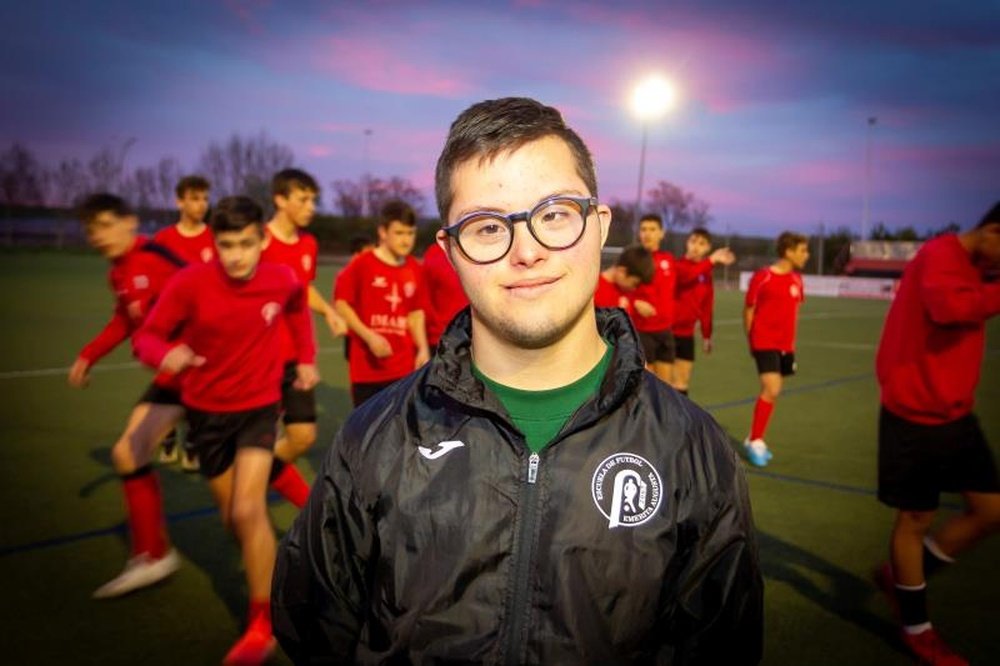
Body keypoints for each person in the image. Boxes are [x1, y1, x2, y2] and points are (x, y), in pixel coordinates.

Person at [272, 96, 763, 664]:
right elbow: (314, 631)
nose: (527, 251)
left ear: (599, 227)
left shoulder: (694, 451)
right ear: (450, 251)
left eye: (554, 214)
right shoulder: (372, 440)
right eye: (486, 227)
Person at [134, 195, 318, 665]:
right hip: (205, 416)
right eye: (226, 244)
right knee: (232, 520)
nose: (235, 255)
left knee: (245, 509)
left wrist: (305, 359)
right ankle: (272, 571)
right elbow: (148, 335)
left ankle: (266, 621)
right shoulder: (189, 283)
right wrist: (164, 355)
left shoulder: (281, 277)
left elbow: (297, 308)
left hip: (258, 410)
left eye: (245, 244)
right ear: (215, 243)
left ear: (261, 241)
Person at [872, 203, 1000, 666]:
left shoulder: (975, 264)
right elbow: (949, 308)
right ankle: (916, 627)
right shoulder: (941, 253)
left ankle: (906, 577)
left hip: (955, 414)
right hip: (913, 414)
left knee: (991, 509)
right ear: (992, 230)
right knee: (915, 520)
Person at [68, 193, 186, 598]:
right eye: (90, 230)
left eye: (104, 225)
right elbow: (124, 319)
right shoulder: (118, 273)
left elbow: (205, 298)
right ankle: (152, 555)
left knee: (248, 481)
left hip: (207, 376)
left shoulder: (157, 258)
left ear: (129, 222)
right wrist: (88, 355)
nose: (98, 237)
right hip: (175, 381)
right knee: (127, 453)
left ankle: (325, 518)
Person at [261, 168, 346, 505]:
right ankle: (302, 506)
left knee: (302, 436)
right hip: (259, 361)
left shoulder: (308, 244)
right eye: (303, 199)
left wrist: (328, 312)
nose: (311, 206)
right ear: (280, 200)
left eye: (313, 199)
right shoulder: (259, 240)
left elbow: (303, 288)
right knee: (257, 441)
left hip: (295, 359)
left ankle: (258, 477)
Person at [334, 200, 430, 406]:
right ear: (383, 232)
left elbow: (415, 314)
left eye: (410, 233)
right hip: (368, 371)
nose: (406, 240)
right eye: (399, 233)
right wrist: (369, 337)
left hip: (404, 369)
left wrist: (422, 348)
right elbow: (342, 303)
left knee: (399, 434)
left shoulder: (415, 269)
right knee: (367, 435)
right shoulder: (362, 264)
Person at [152, 174, 214, 470]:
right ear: (179, 201)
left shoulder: (214, 239)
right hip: (172, 329)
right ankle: (167, 440)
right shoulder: (163, 240)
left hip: (205, 330)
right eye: (194, 198)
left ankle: (192, 446)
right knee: (170, 386)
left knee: (200, 388)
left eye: (204, 198)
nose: (201, 205)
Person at [742, 231, 808, 466]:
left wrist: (791, 345)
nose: (806, 255)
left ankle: (754, 437)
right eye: (802, 250)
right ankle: (756, 441)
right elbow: (749, 309)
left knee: (773, 391)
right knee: (772, 388)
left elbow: (795, 313)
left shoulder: (797, 281)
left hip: (785, 346)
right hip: (764, 342)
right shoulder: (763, 277)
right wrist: (752, 340)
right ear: (788, 252)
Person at [672, 228, 735, 396]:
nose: (696, 247)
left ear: (707, 248)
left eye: (701, 244)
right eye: (693, 241)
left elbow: (706, 307)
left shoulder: (706, 274)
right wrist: (712, 260)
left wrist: (707, 335)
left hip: (686, 334)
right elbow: (687, 277)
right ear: (687, 242)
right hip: (666, 333)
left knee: (682, 383)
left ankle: (678, 422)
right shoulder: (677, 266)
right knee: (661, 383)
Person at [630, 213, 678, 385]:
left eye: (652, 229)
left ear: (661, 233)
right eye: (643, 229)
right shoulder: (631, 260)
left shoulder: (669, 260)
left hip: (665, 331)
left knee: (667, 388)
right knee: (647, 389)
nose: (647, 234)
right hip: (641, 332)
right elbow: (615, 289)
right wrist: (634, 302)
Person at [421, 236, 468, 355]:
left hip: (478, 340)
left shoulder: (483, 250)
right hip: (441, 341)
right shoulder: (435, 254)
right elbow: (424, 300)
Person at [593, 244, 654, 311]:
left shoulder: (624, 291)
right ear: (622, 271)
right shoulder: (594, 292)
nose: (634, 289)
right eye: (634, 283)